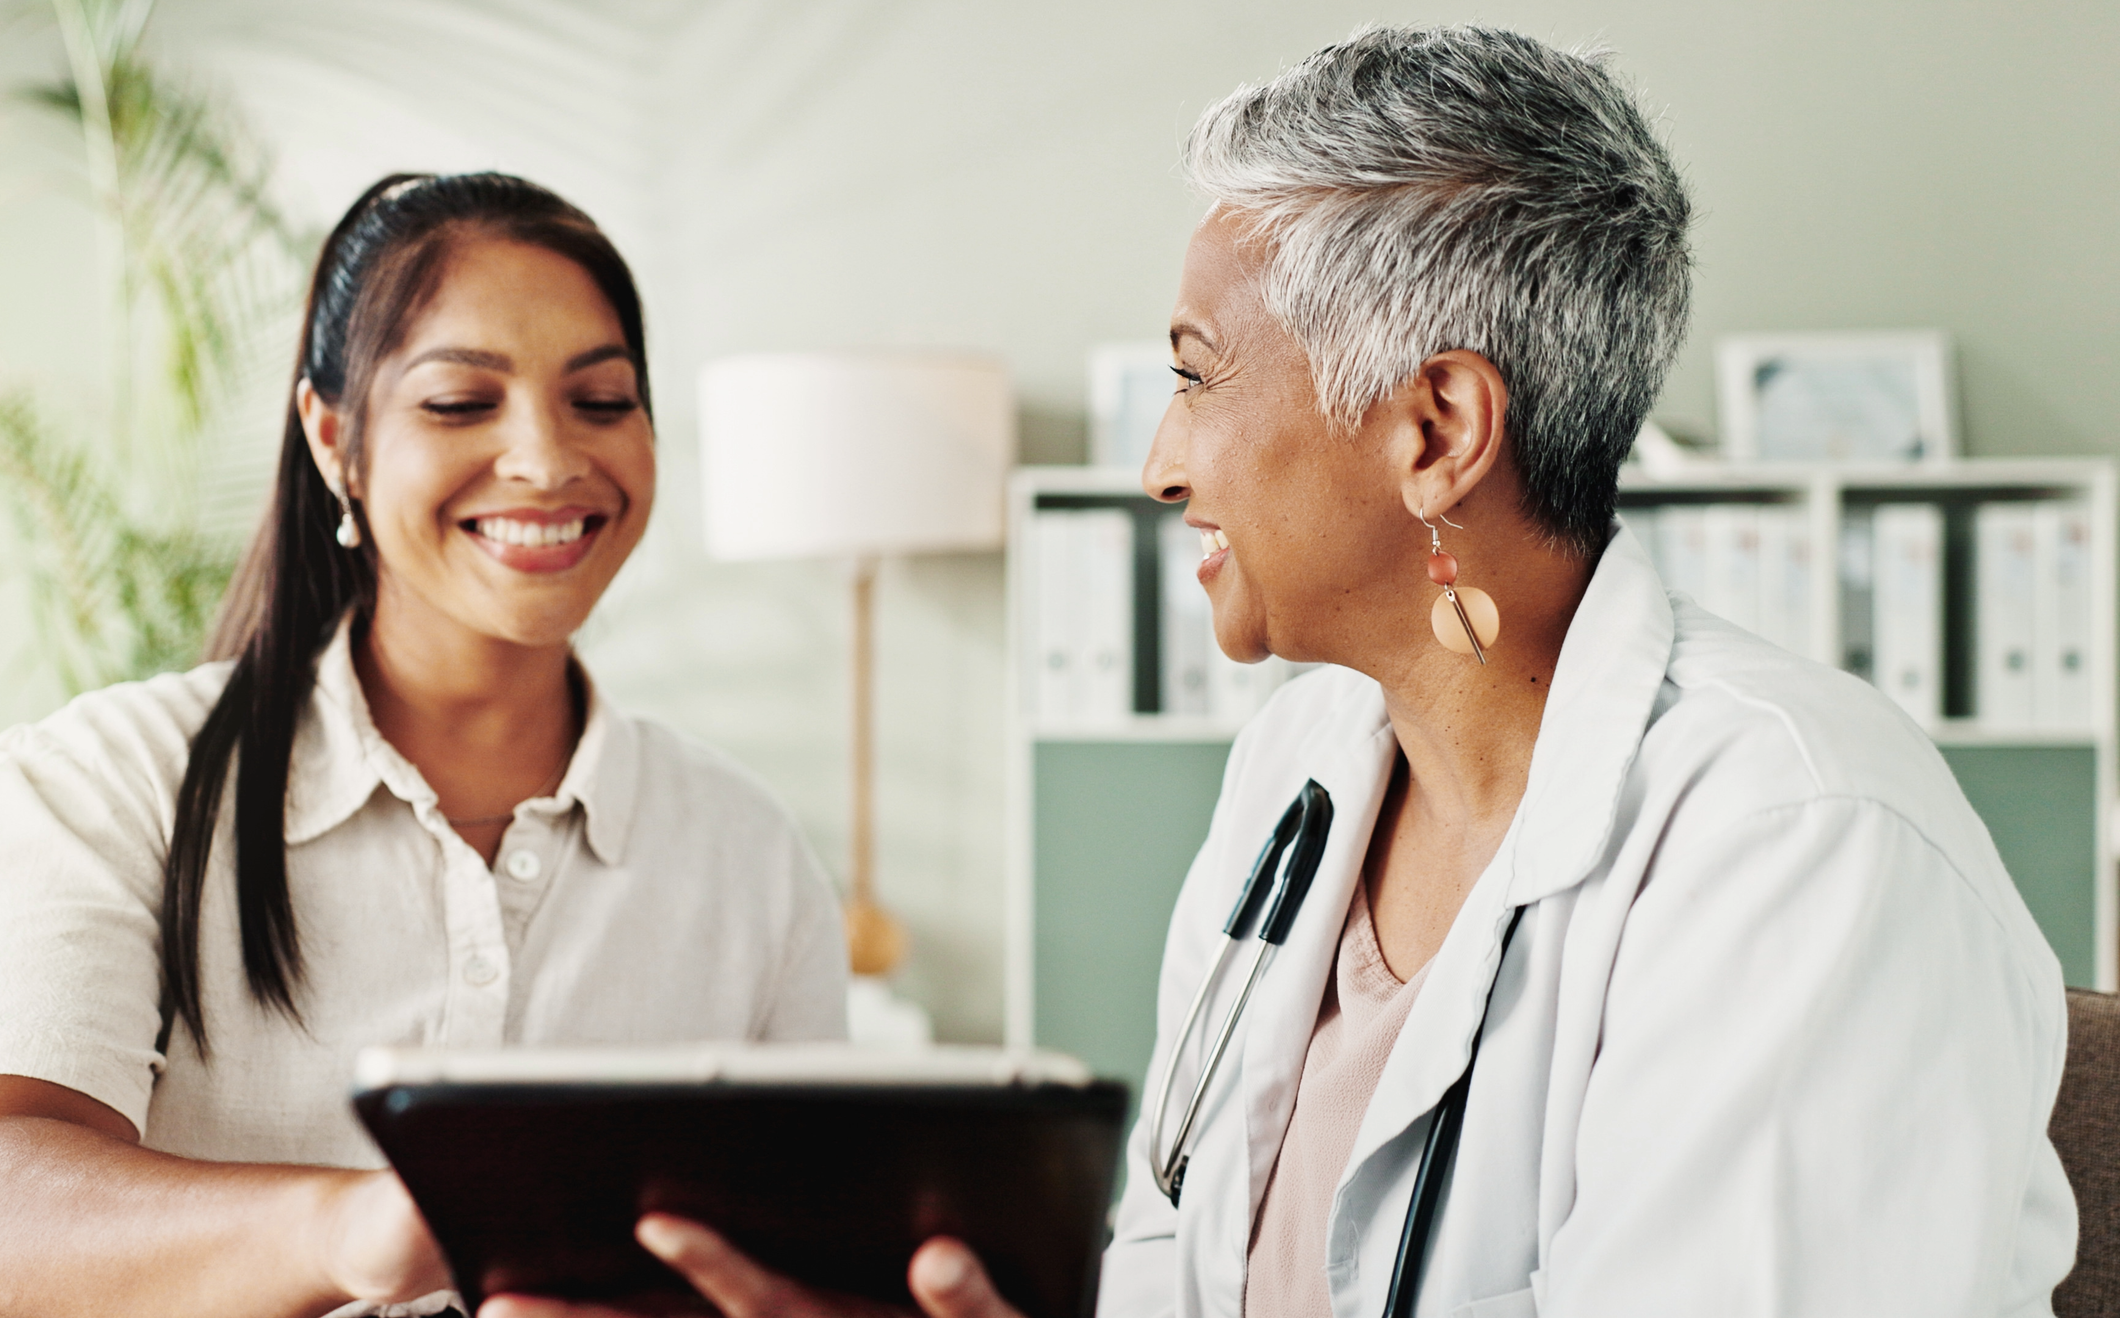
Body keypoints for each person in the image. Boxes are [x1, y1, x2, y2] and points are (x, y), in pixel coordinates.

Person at [492, 26, 2075, 1318]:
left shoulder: (1798, 847)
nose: (1162, 464)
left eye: (1194, 375)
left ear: (1436, 431)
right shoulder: (1301, 766)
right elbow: (1175, 1269)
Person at [0, 172, 849, 1318]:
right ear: (333, 437)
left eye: (600, 400)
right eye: (459, 404)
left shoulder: (744, 848)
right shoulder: (107, 779)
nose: (547, 460)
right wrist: (360, 1228)